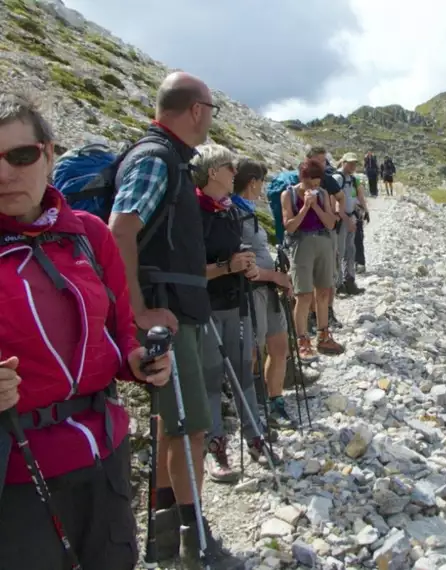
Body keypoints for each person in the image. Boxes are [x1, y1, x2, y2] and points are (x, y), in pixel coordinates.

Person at [0, 92, 172, 569]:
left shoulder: (90, 235)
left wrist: (141, 363)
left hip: (104, 455)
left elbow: (120, 337)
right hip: (16, 473)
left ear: (49, 153)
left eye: (19, 155)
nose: (4, 173)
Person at [109, 73, 243, 568]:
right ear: (195, 110)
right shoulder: (156, 158)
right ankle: (196, 540)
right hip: (167, 314)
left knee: (178, 424)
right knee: (190, 428)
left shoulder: (169, 159)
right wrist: (136, 309)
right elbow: (120, 229)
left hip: (176, 310)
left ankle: (171, 538)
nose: (211, 115)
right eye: (210, 106)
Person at [191, 144, 280, 484]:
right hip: (208, 308)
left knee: (244, 372)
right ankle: (215, 448)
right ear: (213, 172)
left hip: (236, 302)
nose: (235, 174)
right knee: (212, 378)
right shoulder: (193, 212)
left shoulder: (227, 209)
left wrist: (241, 263)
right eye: (230, 167)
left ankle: (254, 436)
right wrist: (228, 266)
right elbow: (190, 270)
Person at [230, 157, 298, 431]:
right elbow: (247, 266)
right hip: (253, 292)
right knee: (254, 352)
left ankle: (275, 401)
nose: (262, 188)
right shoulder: (234, 213)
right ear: (252, 182)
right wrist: (277, 277)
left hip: (267, 291)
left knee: (279, 347)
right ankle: (251, 411)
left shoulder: (246, 210)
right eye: (260, 182)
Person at [282, 159, 344, 362]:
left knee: (324, 291)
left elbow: (330, 223)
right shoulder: (288, 195)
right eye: (311, 184)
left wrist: (316, 206)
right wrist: (304, 208)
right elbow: (289, 226)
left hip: (323, 242)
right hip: (301, 245)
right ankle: (302, 340)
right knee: (303, 295)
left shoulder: (324, 194)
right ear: (303, 179)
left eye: (317, 184)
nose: (314, 188)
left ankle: (323, 335)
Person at [333, 153, 368, 295]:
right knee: (340, 252)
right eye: (351, 163)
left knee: (350, 250)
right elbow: (335, 204)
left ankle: (350, 281)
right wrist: (347, 220)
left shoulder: (352, 179)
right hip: (341, 220)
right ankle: (339, 285)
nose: (353, 166)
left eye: (355, 163)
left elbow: (354, 198)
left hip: (351, 217)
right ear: (343, 162)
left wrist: (362, 210)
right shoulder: (337, 179)